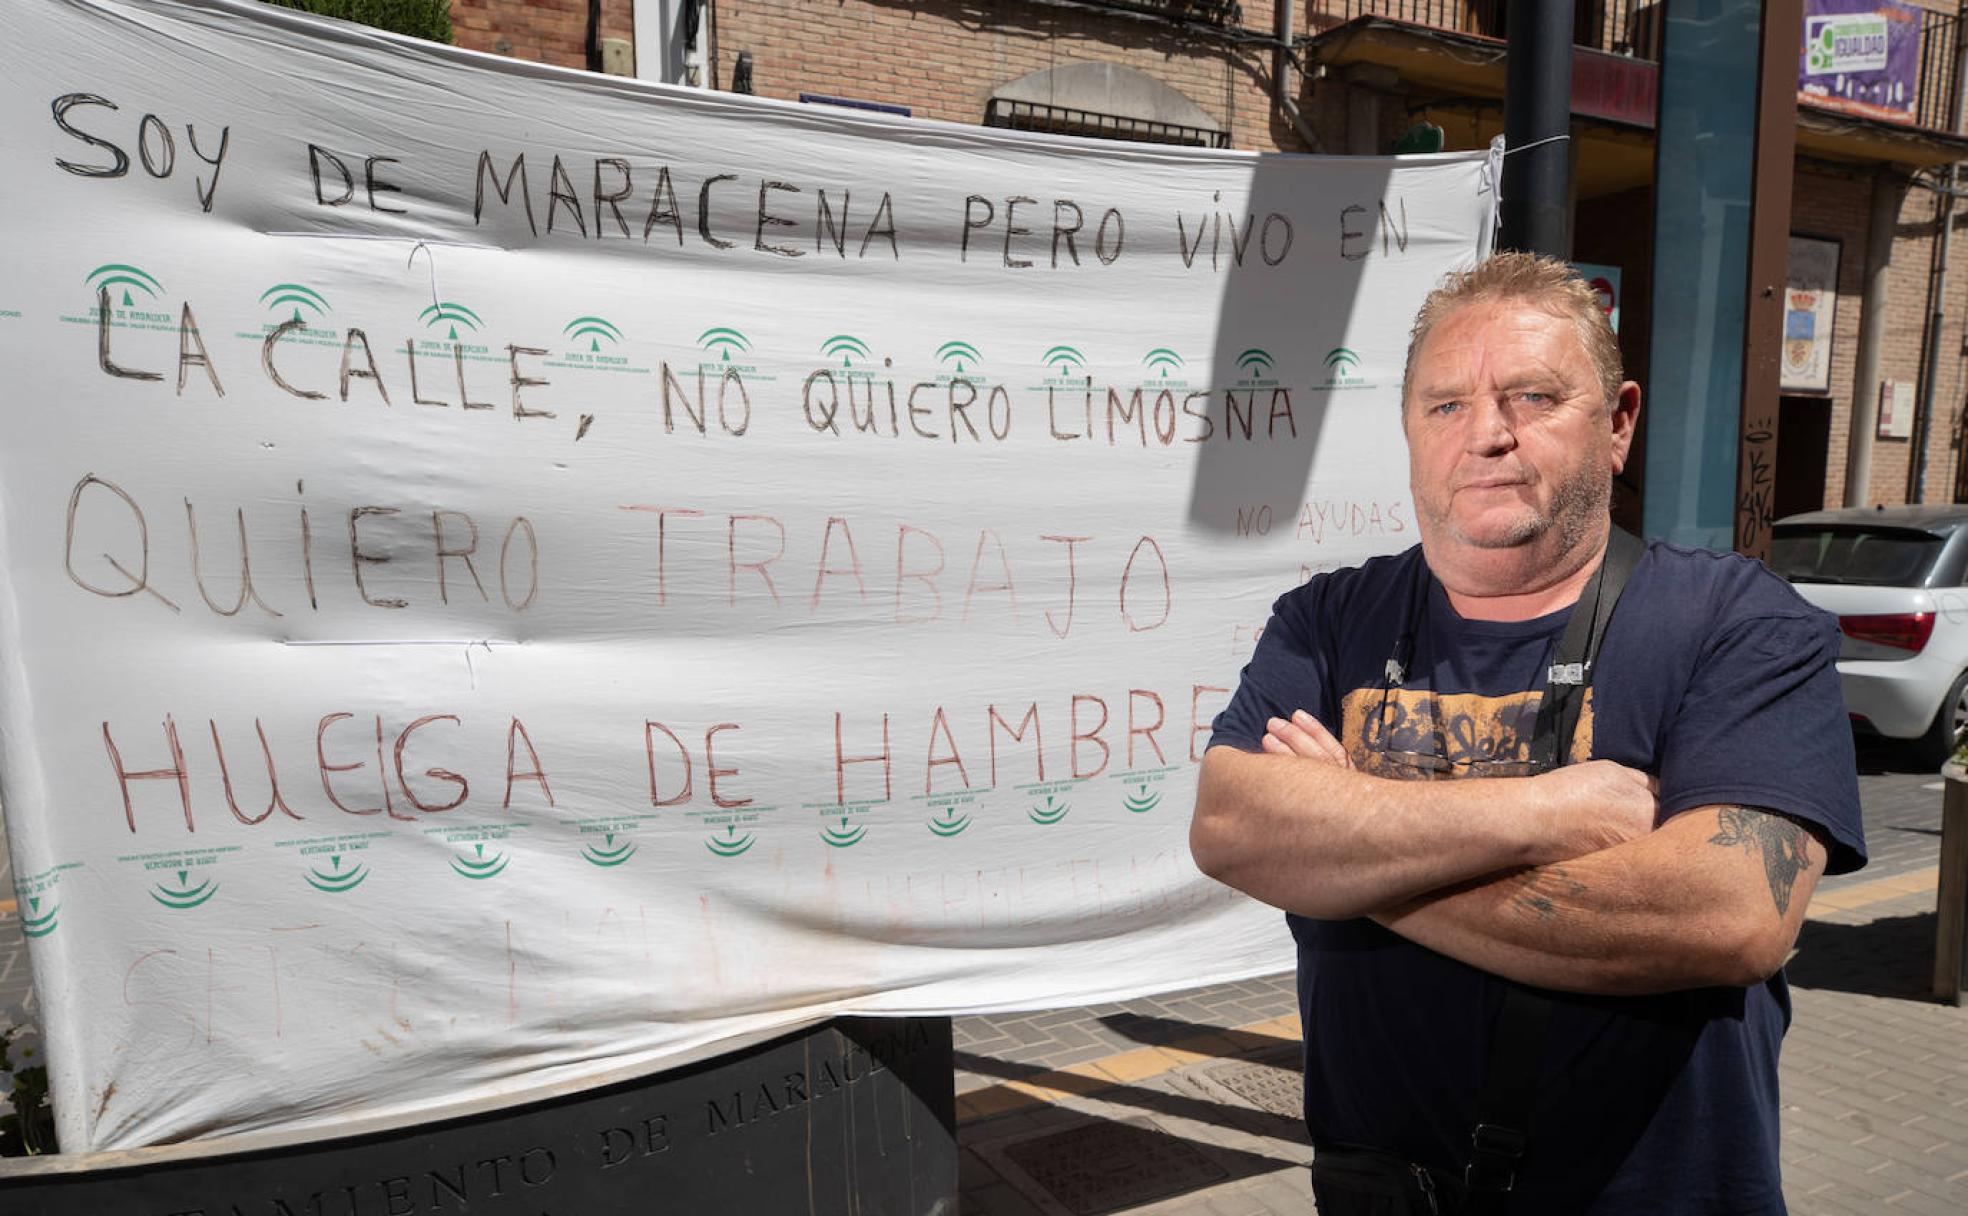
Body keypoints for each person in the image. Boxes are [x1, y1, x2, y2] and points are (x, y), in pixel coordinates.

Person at [1189, 252, 1866, 1215]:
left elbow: (1729, 914)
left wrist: (1340, 860)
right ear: (1409, 428)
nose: (1487, 435)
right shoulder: (1328, 622)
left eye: (1534, 397)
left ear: (1619, 422)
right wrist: (1547, 811)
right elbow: (1230, 827)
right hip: (1380, 1193)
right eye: (1446, 405)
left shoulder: (1735, 622)